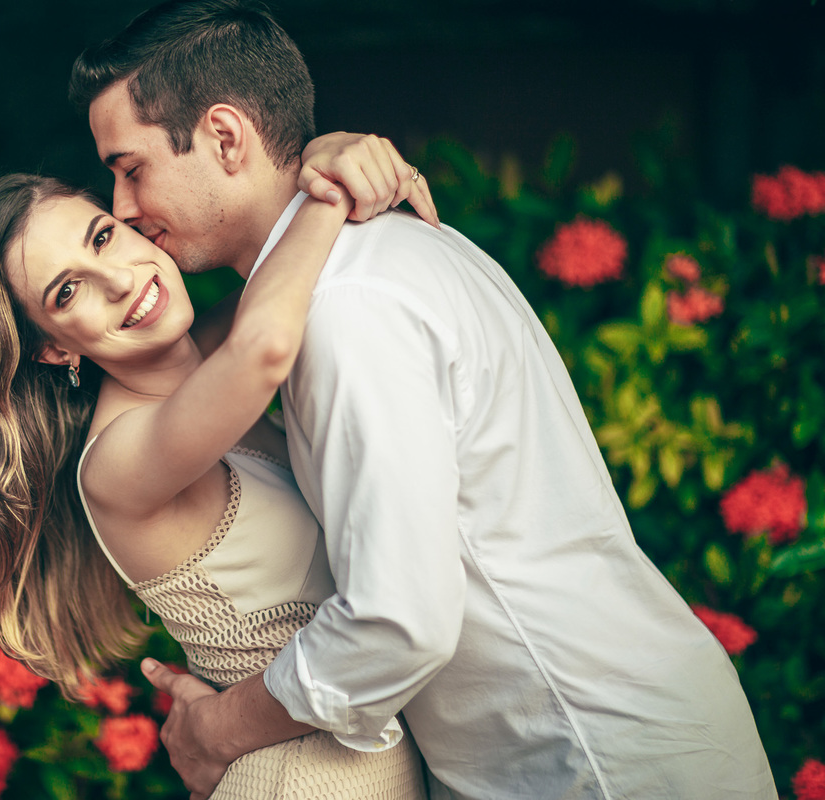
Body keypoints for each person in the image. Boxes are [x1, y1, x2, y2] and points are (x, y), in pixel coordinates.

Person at [67, 1, 779, 799]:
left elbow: (397, 620)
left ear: (226, 138)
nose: (121, 206)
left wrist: (215, 730)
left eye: (131, 168)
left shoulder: (347, 308)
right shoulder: (364, 258)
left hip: (584, 755)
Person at [0, 148, 437, 795]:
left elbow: (287, 269)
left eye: (103, 237)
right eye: (67, 291)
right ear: (53, 347)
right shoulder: (116, 462)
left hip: (355, 752)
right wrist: (329, 191)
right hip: (301, 778)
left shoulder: (204, 355)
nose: (119, 280)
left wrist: (337, 153)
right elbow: (266, 344)